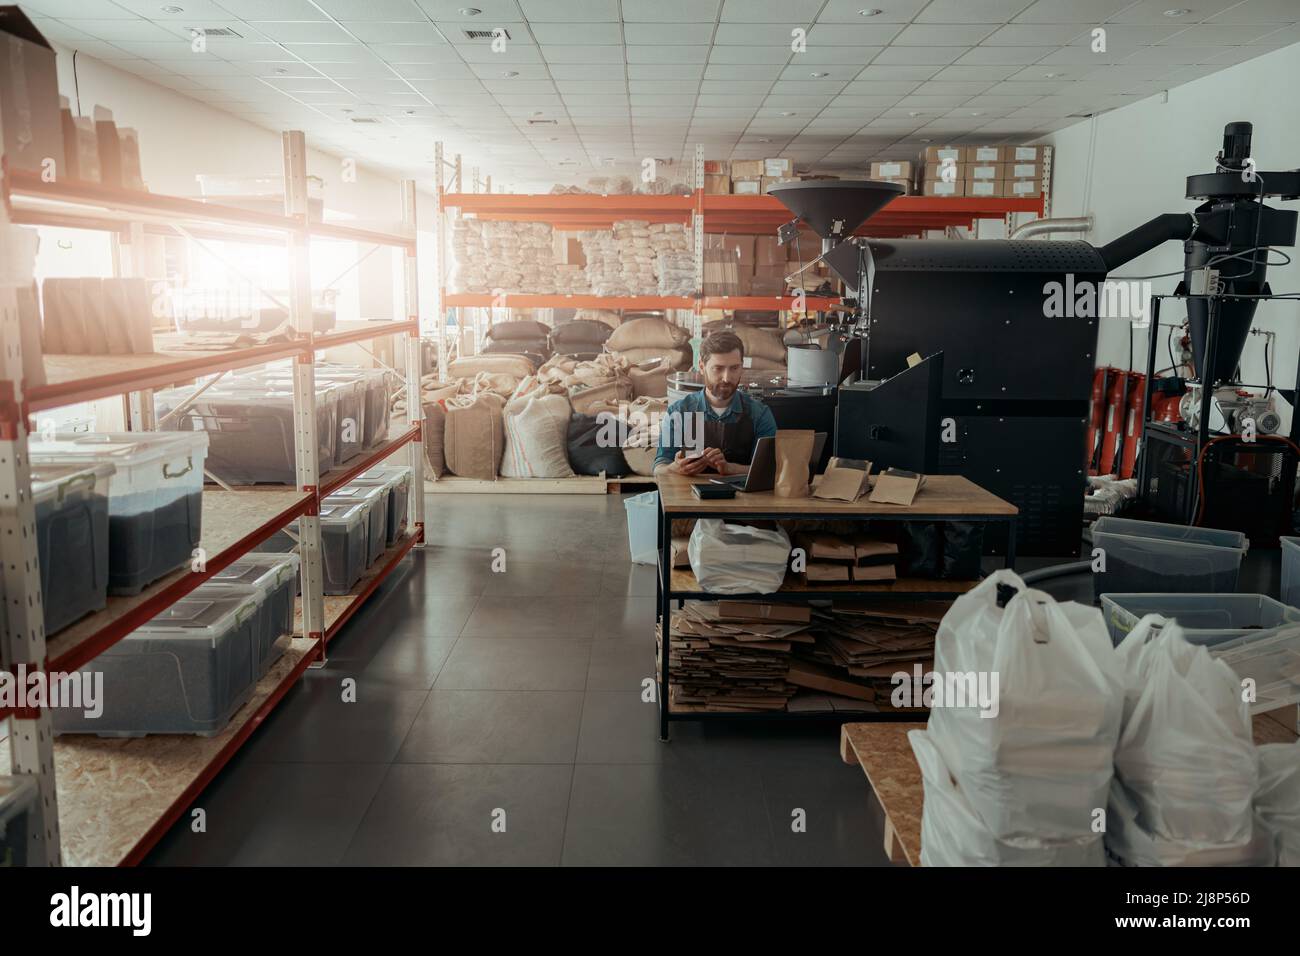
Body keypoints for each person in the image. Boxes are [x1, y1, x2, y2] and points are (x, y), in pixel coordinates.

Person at [654, 329, 777, 477]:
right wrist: (675, 468)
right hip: (686, 497)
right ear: (701, 366)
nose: (726, 377)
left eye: (734, 368)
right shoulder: (678, 412)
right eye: (718, 368)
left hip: (744, 499)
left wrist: (730, 468)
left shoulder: (759, 414)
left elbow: (771, 470)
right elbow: (658, 469)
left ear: (742, 366)